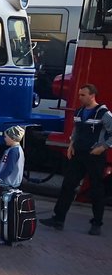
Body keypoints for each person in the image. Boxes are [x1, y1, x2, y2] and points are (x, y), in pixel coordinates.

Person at [41, 84, 111, 235]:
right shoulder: (79, 111)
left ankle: (96, 224)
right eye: (79, 95)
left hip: (95, 155)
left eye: (83, 95)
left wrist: (104, 147)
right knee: (68, 185)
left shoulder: (103, 113)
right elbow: (76, 129)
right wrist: (71, 144)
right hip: (78, 153)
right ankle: (58, 219)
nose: (79, 98)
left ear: (92, 95)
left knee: (97, 189)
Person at [0, 125, 26, 199]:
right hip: (9, 183)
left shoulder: (13, 151)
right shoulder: (17, 149)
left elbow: (9, 168)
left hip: (8, 184)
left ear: (13, 138)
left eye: (6, 137)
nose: (4, 139)